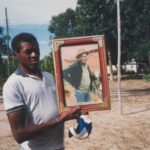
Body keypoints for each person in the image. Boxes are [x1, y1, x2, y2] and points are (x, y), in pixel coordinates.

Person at [3, 33, 81, 150]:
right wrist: (60, 119)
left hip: (58, 147)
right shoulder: (13, 84)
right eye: (28, 52)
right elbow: (19, 135)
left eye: (36, 50)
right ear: (16, 55)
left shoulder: (49, 77)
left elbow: (58, 108)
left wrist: (75, 112)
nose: (34, 55)